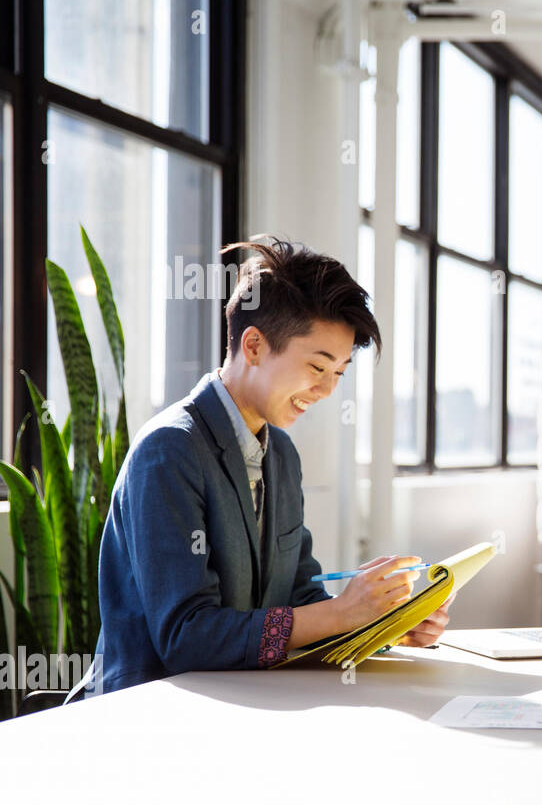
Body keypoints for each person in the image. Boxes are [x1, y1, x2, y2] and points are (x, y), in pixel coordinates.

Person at [88, 237, 450, 696]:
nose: (326, 391)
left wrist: (384, 623)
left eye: (338, 373)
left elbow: (298, 598)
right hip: (149, 719)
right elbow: (186, 638)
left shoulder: (281, 453)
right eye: (317, 367)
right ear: (254, 346)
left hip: (245, 704)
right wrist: (340, 614)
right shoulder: (170, 450)